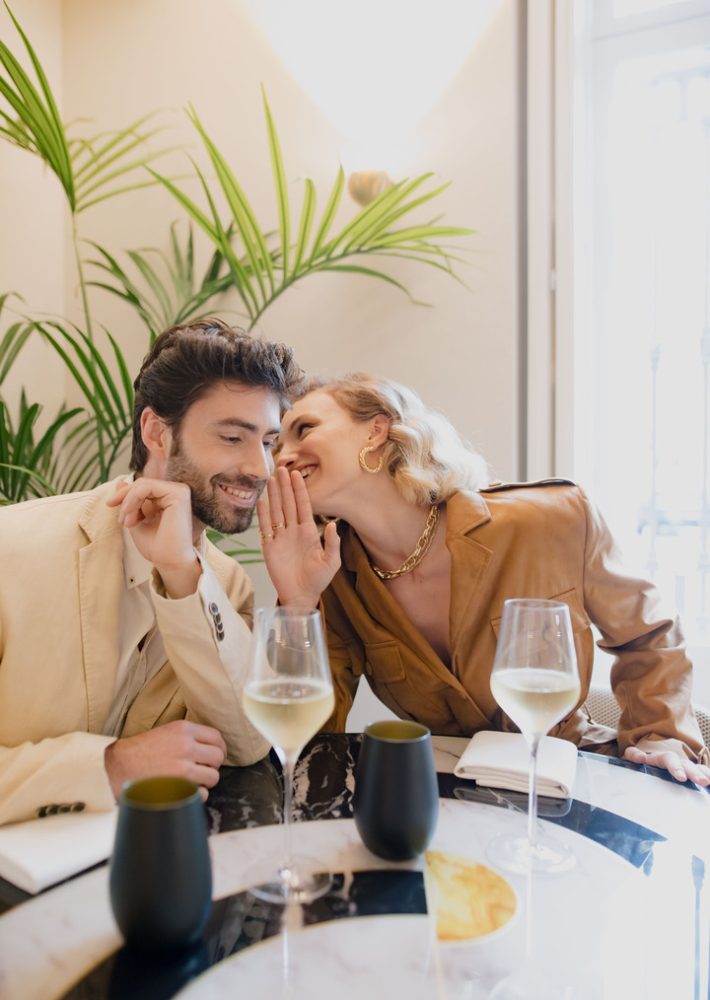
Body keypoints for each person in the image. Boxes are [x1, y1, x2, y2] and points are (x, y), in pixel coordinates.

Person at [259, 372, 710, 785]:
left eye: (304, 430)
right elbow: (308, 745)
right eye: (276, 445)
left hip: (572, 776)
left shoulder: (551, 520)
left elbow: (650, 634)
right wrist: (297, 602)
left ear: (376, 431)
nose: (283, 456)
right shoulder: (333, 578)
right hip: (447, 797)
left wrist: (660, 736)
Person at [0, 318, 305, 826]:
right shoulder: (11, 548)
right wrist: (110, 766)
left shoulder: (225, 584)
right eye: (233, 437)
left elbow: (247, 743)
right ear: (157, 433)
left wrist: (182, 573)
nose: (261, 468)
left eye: (269, 442)